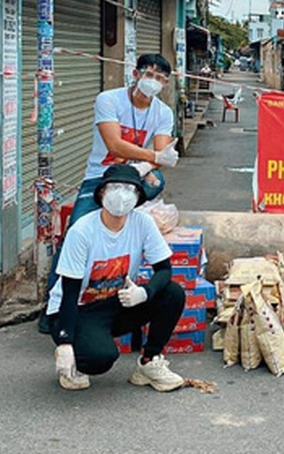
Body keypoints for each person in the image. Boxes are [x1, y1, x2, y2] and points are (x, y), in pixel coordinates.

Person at [39, 54, 179, 333]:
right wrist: (152, 158)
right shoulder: (109, 100)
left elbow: (163, 156)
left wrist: (146, 166)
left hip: (135, 177)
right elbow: (114, 145)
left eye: (161, 79)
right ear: (136, 74)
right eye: (150, 75)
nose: (154, 82)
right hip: (99, 178)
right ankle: (52, 307)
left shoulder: (163, 112)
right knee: (75, 231)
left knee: (156, 181)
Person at [48, 165, 186, 391]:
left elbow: (164, 270)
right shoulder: (82, 231)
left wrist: (145, 293)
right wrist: (64, 342)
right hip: (77, 308)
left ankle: (149, 363)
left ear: (138, 196)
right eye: (114, 187)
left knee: (172, 293)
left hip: (118, 301)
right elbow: (70, 291)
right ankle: (75, 360)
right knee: (99, 358)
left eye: (129, 189)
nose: (121, 195)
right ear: (102, 193)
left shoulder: (143, 223)